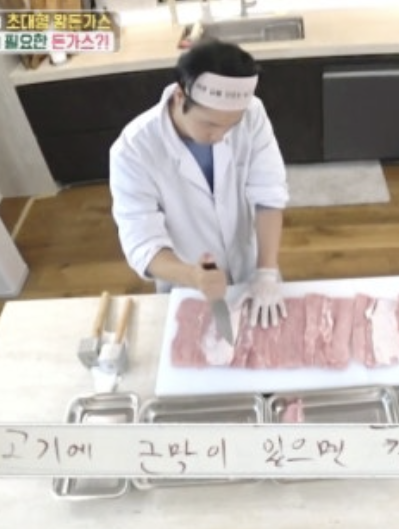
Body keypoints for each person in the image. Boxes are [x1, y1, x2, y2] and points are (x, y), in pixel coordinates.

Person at [110, 38, 289, 328]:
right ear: (180, 96)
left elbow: (269, 193)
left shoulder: (252, 113)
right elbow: (141, 241)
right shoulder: (133, 150)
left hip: (252, 270)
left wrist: (266, 272)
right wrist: (192, 275)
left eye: (231, 125)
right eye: (210, 124)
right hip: (187, 282)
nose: (220, 136)